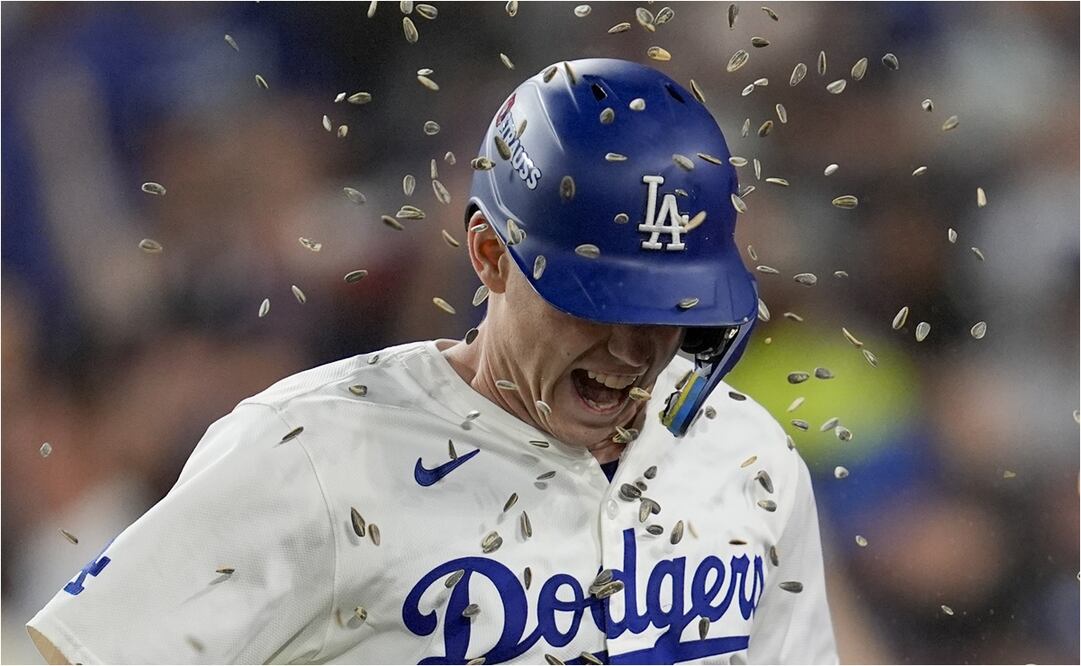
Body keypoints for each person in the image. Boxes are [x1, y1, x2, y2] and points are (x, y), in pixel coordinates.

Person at [27, 58, 837, 665]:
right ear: (488, 254)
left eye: (671, 311)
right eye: (599, 301)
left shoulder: (746, 456)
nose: (634, 349)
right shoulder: (311, 451)